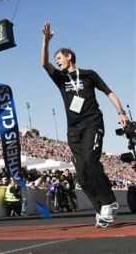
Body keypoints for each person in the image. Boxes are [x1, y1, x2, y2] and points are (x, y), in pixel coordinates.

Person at [40, 21, 129, 228]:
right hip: (73, 129)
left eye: (59, 58)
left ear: (69, 57)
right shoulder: (60, 78)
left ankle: (109, 202)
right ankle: (100, 209)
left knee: (90, 161)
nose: (57, 61)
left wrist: (121, 112)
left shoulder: (89, 74)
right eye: (56, 59)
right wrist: (45, 42)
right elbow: (44, 64)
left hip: (92, 123)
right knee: (81, 174)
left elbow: (109, 92)